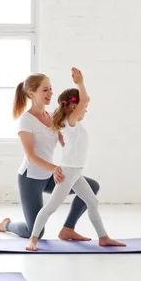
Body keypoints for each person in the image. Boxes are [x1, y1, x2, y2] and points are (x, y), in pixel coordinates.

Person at [26, 68, 126, 251]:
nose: (85, 111)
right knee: (51, 207)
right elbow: (85, 99)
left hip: (76, 172)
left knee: (92, 202)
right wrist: (80, 82)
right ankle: (33, 239)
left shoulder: (73, 124)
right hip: (68, 172)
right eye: (83, 108)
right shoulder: (70, 122)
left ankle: (103, 238)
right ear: (74, 107)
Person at [0, 72, 99, 241]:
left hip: (50, 175)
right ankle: (7, 225)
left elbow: (66, 142)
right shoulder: (26, 121)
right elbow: (31, 157)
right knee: (34, 231)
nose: (50, 93)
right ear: (31, 94)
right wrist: (55, 168)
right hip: (30, 178)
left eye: (50, 89)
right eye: (45, 90)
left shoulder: (52, 116)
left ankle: (68, 229)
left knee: (92, 186)